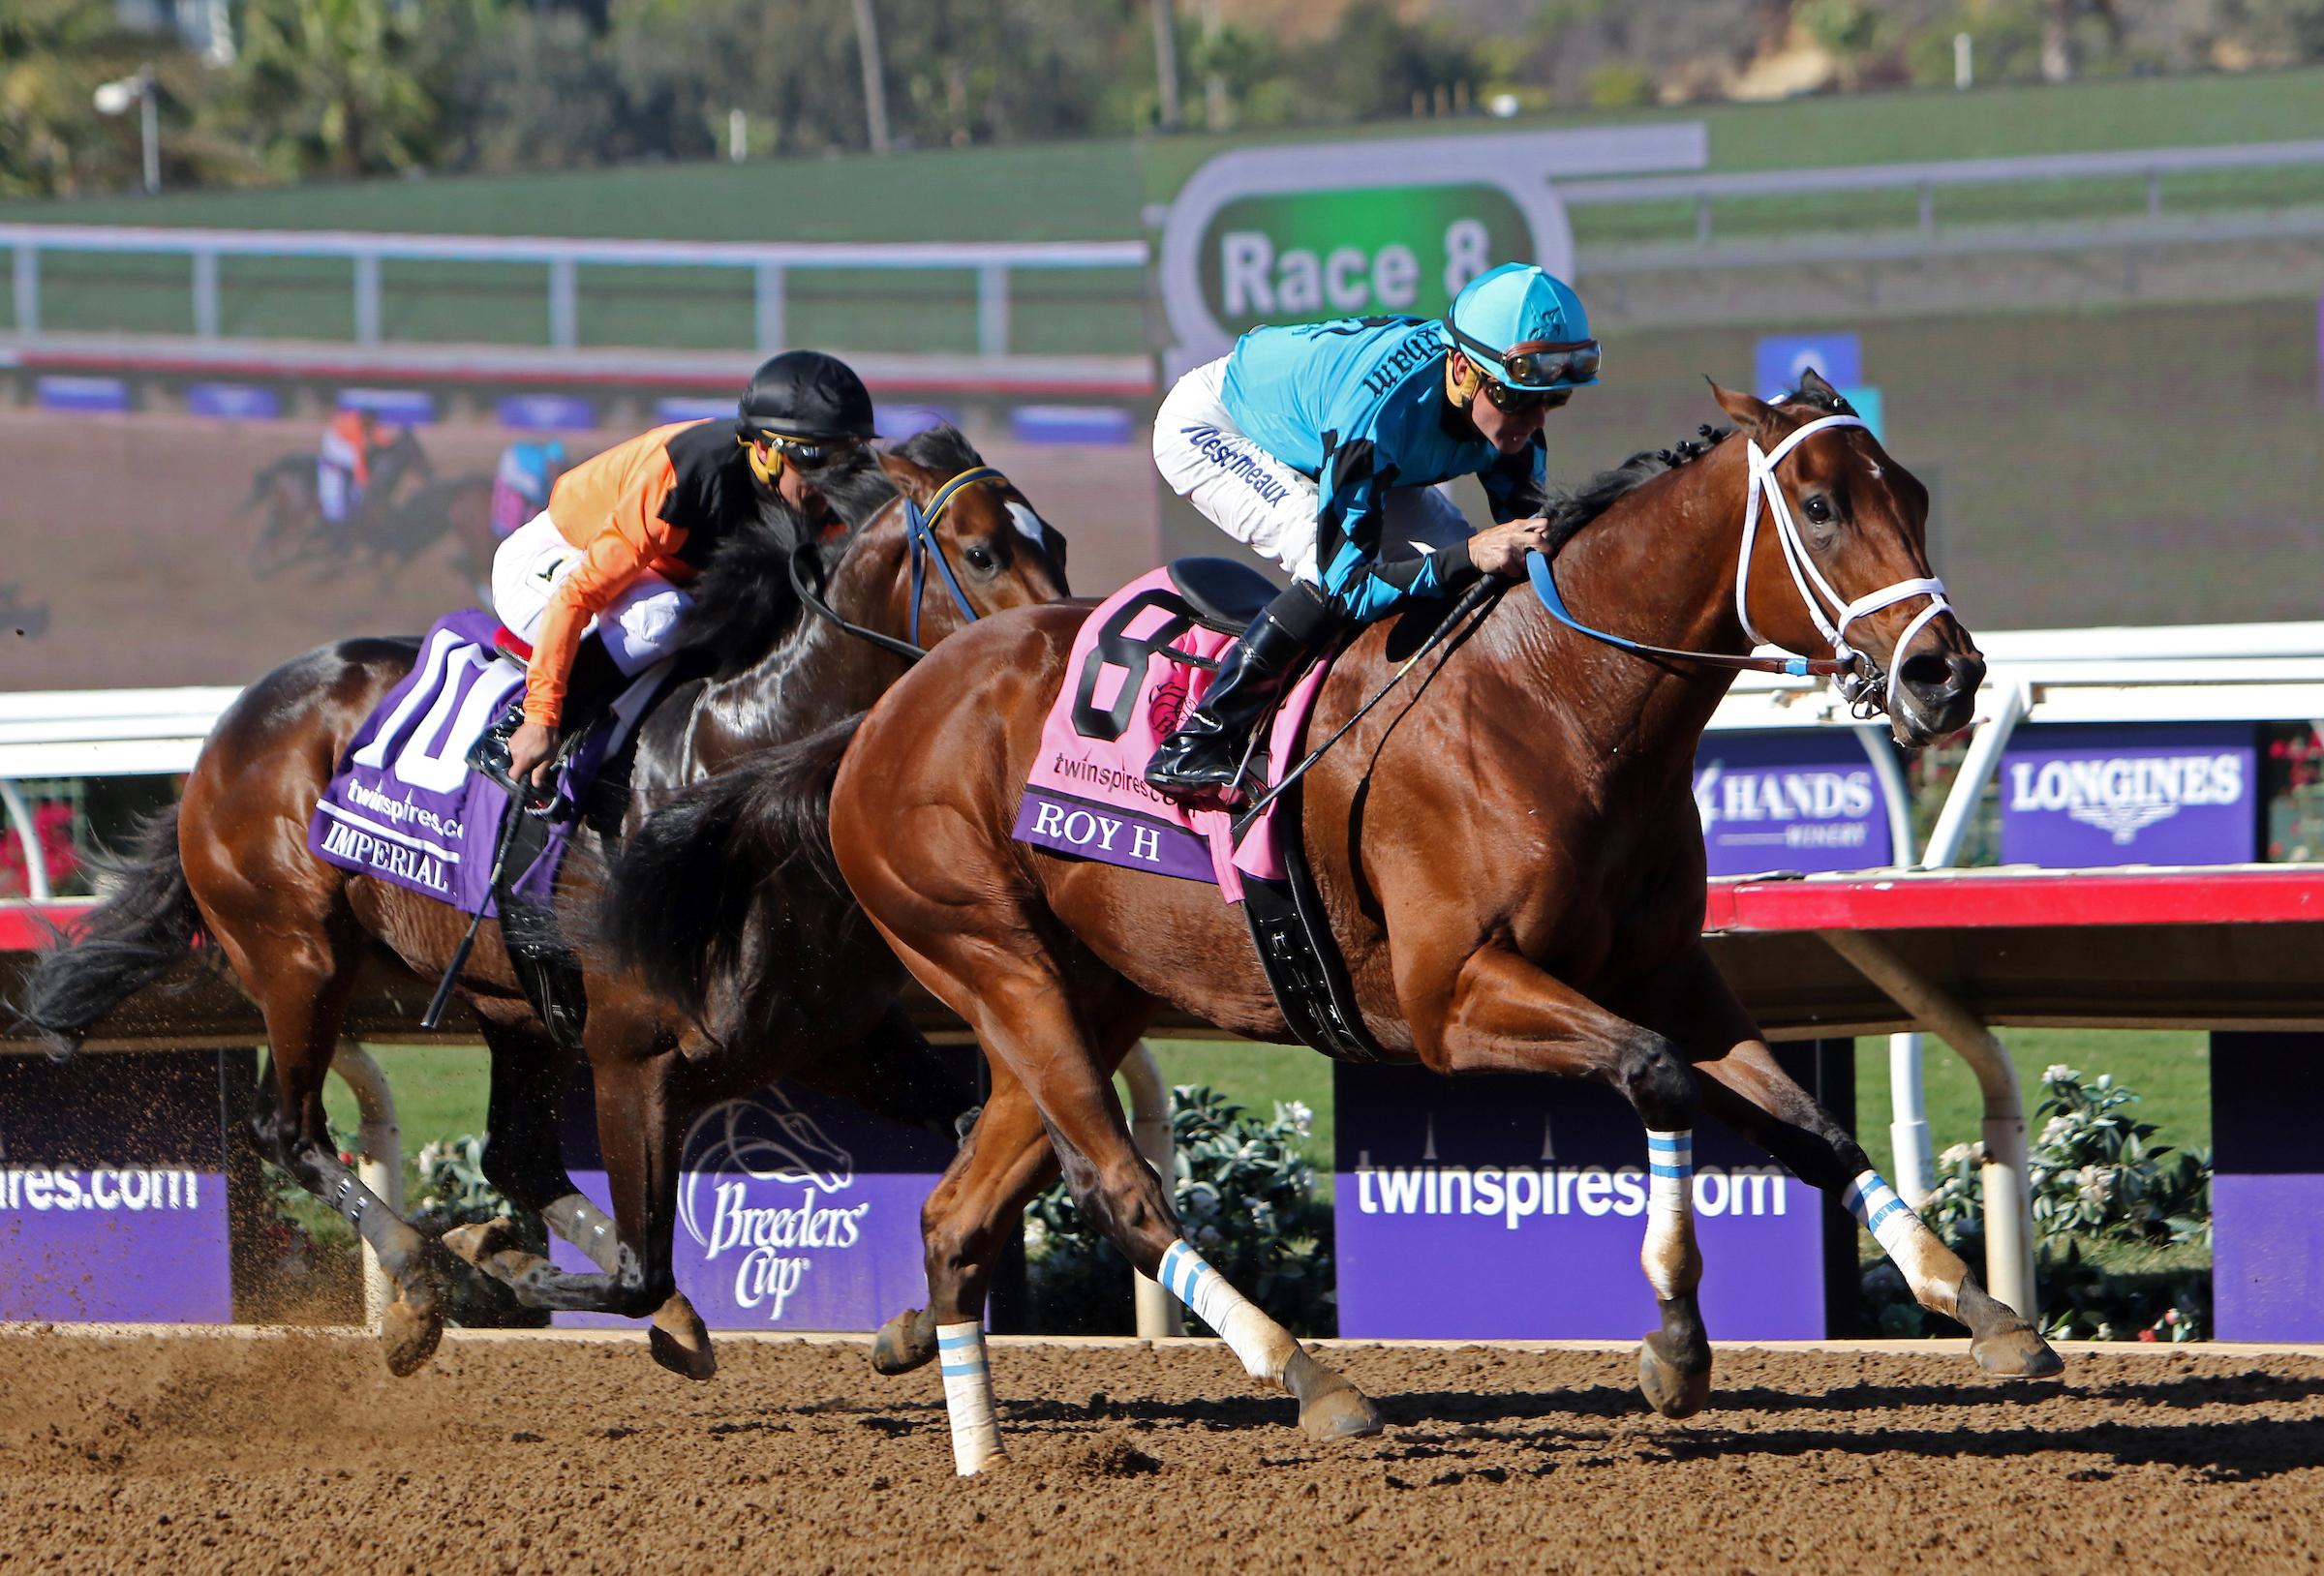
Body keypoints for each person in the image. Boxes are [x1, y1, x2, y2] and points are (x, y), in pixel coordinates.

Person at [1144, 261, 1600, 799]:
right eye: (1516, 398)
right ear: (1460, 370)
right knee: (1325, 565)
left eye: (1553, 398)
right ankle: (1198, 742)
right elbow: (1348, 586)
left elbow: (1528, 539)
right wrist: (1471, 553)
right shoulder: (1379, 414)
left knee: (1469, 558)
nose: (1534, 420)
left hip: (1338, 443)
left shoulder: (1499, 404)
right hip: (1220, 424)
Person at [483, 350, 877, 791]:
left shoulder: (818, 502)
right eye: (815, 459)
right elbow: (577, 596)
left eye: (849, 460)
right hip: (552, 558)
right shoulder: (685, 478)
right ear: (765, 450)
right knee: (665, 616)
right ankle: (519, 730)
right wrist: (543, 714)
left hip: (650, 579)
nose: (834, 481)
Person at [316, 407, 382, 529]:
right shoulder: (354, 430)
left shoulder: (370, 425)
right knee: (351, 460)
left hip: (344, 437)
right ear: (364, 420)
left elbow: (381, 439)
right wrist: (363, 482)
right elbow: (358, 462)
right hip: (335, 440)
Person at [489, 439, 568, 541]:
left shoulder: (547, 463)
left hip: (518, 455)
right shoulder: (539, 467)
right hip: (512, 461)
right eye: (555, 466)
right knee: (532, 491)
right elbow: (538, 495)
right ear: (550, 461)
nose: (556, 470)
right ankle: (506, 526)